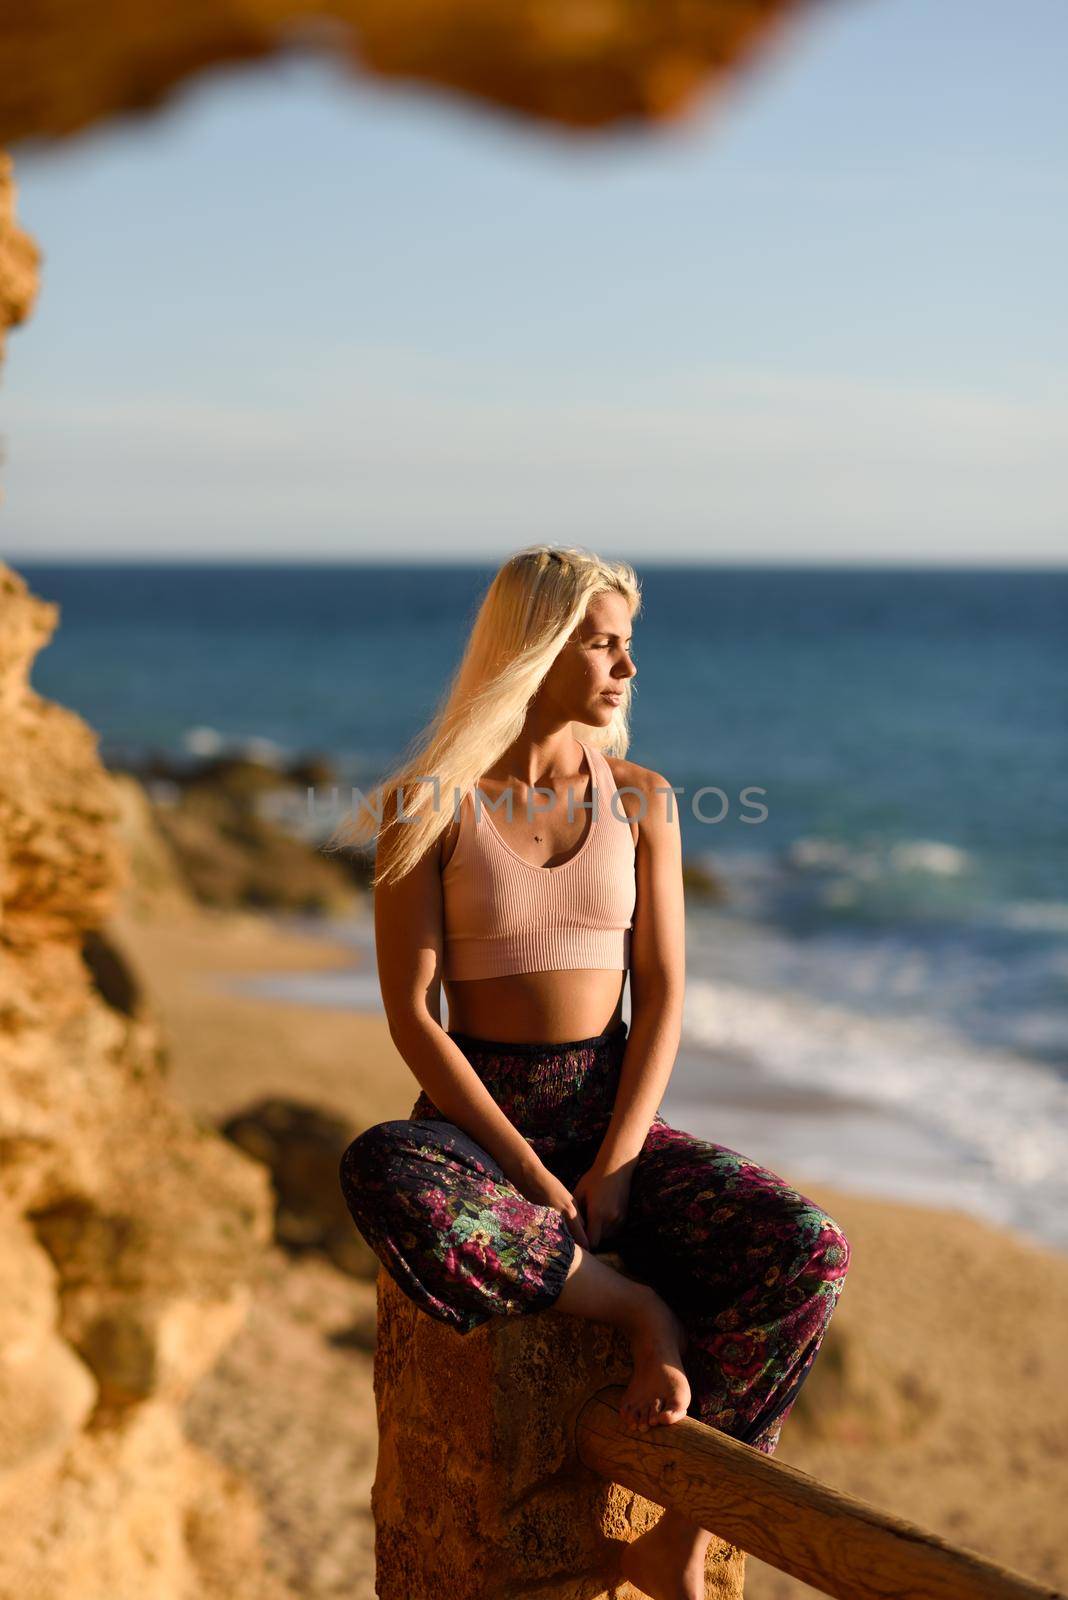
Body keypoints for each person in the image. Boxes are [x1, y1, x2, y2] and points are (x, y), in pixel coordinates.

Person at [332, 543, 851, 1600]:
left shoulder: (644, 798)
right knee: (383, 1168)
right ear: (537, 647)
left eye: (628, 644)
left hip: (610, 1112)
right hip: (474, 1125)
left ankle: (684, 1533)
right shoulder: (427, 804)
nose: (626, 666)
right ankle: (630, 1309)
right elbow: (412, 1017)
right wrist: (525, 1172)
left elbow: (660, 994)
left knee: (810, 1249)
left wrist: (614, 1163)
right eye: (603, 642)